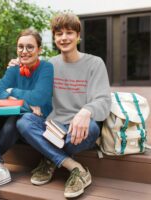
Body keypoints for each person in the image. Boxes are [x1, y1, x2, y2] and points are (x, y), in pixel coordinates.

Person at [8, 13, 111, 198]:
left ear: (78, 36)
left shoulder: (95, 63)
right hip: (52, 128)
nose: (64, 38)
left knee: (93, 128)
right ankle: (75, 167)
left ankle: (49, 158)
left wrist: (86, 111)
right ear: (54, 38)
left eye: (69, 32)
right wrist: (18, 69)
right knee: (24, 123)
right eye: (59, 34)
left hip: (78, 130)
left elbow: (103, 101)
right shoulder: (49, 66)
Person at [0, 28, 53, 192]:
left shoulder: (46, 68)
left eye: (30, 47)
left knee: (15, 120)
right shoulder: (15, 68)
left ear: (39, 50)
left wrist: (12, 92)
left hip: (30, 127)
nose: (24, 51)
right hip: (11, 119)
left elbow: (40, 101)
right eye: (20, 47)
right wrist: (22, 99)